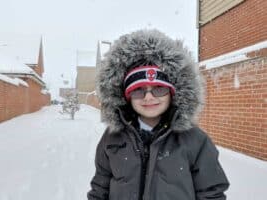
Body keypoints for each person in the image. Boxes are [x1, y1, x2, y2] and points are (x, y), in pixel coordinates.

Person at [87, 29, 229, 200]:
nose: (148, 97)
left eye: (159, 89)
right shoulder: (112, 138)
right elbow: (100, 188)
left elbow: (211, 193)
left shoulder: (195, 141)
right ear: (127, 97)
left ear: (172, 93)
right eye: (138, 90)